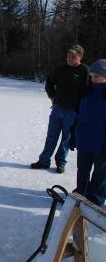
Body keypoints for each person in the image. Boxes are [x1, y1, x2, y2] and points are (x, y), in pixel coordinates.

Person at [31, 44, 89, 173]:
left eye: (73, 56)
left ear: (80, 57)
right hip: (57, 109)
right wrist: (52, 97)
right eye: (68, 55)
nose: (70, 58)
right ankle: (44, 161)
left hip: (73, 112)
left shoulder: (85, 71)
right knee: (51, 136)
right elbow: (49, 83)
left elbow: (89, 92)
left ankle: (61, 162)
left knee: (66, 139)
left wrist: (82, 108)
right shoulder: (60, 69)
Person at [72, 59, 106, 206]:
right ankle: (80, 194)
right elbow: (78, 117)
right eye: (91, 76)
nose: (93, 80)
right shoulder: (86, 93)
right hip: (85, 141)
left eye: (97, 76)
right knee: (82, 171)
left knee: (100, 175)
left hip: (102, 145)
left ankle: (95, 200)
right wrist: (74, 136)